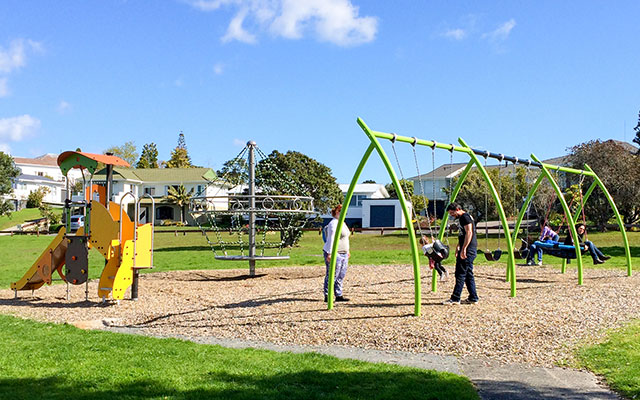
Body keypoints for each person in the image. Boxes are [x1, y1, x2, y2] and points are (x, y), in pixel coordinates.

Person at [443, 202, 479, 305]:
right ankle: (473, 297)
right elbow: (463, 234)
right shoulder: (462, 218)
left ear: (458, 209)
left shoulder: (465, 217)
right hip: (466, 248)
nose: (451, 215)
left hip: (468, 249)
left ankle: (455, 298)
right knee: (468, 274)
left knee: (460, 273)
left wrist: (464, 248)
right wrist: (459, 246)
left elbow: (469, 232)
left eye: (452, 213)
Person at [322, 204, 350, 302]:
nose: (344, 214)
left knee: (341, 274)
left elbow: (346, 237)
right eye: (342, 212)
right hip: (335, 252)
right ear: (337, 212)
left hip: (343, 252)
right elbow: (331, 239)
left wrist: (347, 251)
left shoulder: (342, 223)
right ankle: (327, 294)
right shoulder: (333, 223)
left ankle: (338, 294)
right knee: (333, 274)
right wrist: (330, 253)